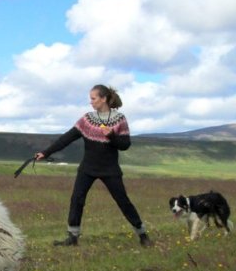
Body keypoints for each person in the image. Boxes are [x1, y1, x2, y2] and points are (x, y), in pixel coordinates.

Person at [35, 85, 153, 247]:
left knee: (123, 201)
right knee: (77, 199)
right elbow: (67, 138)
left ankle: (143, 235)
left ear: (103, 99)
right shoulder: (87, 120)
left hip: (110, 169)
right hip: (87, 168)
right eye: (90, 98)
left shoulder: (119, 119)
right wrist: (46, 152)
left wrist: (111, 135)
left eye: (93, 98)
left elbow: (125, 145)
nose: (90, 102)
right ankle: (72, 237)